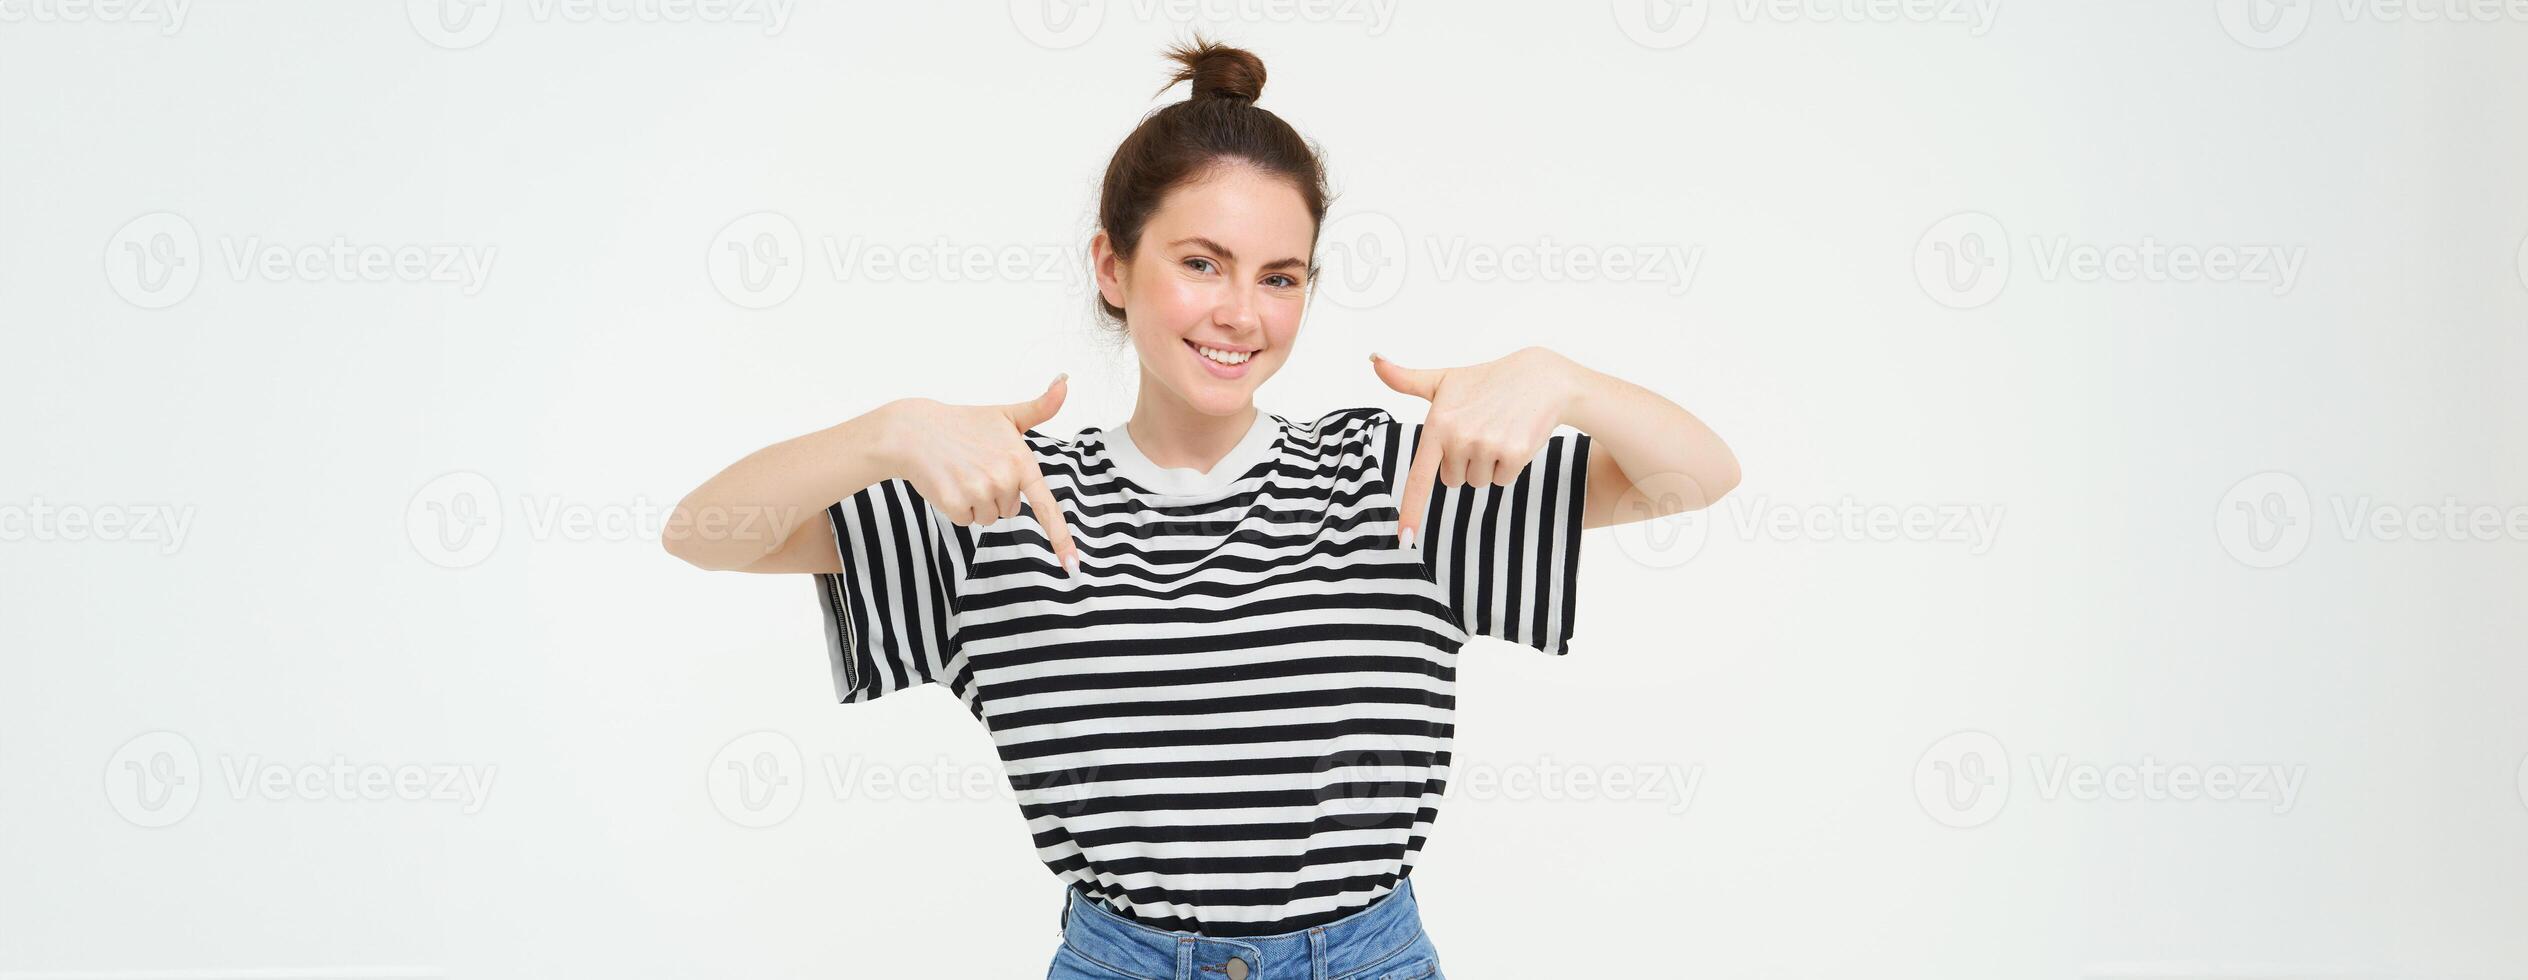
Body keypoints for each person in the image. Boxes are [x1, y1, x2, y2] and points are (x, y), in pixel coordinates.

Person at [664, 34, 1738, 980]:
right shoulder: (1001, 498)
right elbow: (704, 532)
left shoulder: (1392, 481)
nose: (1240, 312)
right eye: (1199, 262)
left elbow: (1694, 475)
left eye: (1280, 277)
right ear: (1112, 266)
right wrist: (885, 431)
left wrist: (1567, 382)